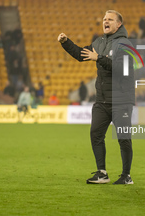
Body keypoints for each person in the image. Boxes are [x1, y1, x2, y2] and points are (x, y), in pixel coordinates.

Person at [57, 10, 135, 185]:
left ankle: (126, 175)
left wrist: (98, 57)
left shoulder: (125, 44)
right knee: (95, 134)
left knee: (123, 138)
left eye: (110, 19)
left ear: (118, 24)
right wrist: (66, 42)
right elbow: (80, 55)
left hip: (121, 100)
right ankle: (102, 173)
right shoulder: (99, 42)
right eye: (104, 19)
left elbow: (123, 69)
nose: (105, 22)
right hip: (102, 100)